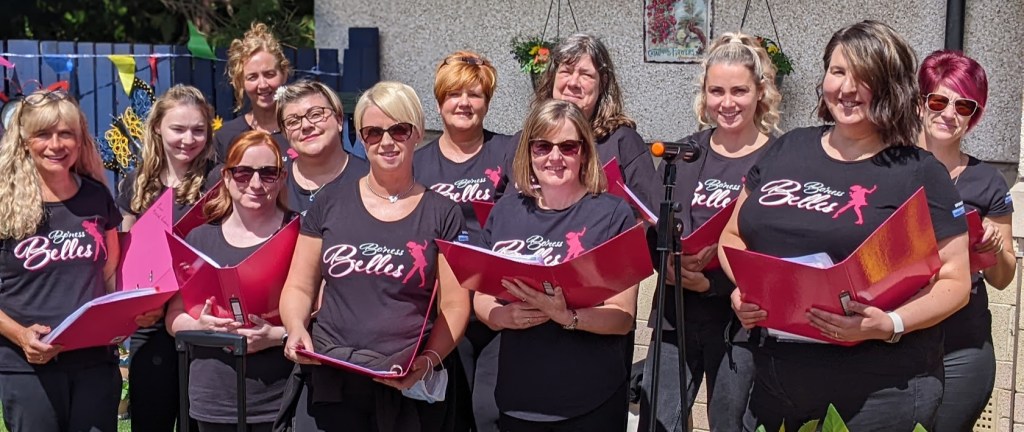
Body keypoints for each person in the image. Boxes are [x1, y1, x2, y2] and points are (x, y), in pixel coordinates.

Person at [718, 21, 971, 431]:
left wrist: (890, 324)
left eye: (864, 77)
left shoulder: (920, 172)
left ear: (890, 87)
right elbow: (732, 236)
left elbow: (955, 281)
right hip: (776, 378)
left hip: (879, 388)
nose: (847, 88)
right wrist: (746, 288)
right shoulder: (788, 147)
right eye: (838, 72)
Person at [279, 81, 470, 431]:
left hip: (402, 382)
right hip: (330, 377)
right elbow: (299, 287)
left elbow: (455, 305)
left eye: (399, 130)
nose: (386, 142)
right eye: (372, 132)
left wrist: (428, 362)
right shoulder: (330, 202)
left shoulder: (442, 212)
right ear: (360, 136)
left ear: (416, 133)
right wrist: (294, 328)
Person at [640, 32, 782, 432]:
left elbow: (780, 246)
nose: (727, 102)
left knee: (730, 424)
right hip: (675, 315)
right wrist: (664, 265)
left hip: (738, 322)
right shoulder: (683, 154)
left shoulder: (779, 159)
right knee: (658, 421)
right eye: (716, 91)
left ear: (760, 93)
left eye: (739, 90)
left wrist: (713, 283)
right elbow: (654, 225)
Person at [473, 99, 641, 431]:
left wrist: (569, 317)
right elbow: (480, 294)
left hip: (590, 400)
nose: (554, 157)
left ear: (584, 153)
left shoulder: (612, 215)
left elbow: (623, 317)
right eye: (542, 146)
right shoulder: (506, 211)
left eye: (567, 147)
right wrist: (500, 316)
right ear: (528, 151)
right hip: (518, 397)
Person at [0, 89, 141, 431]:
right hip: (26, 365)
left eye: (66, 134)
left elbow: (109, 275)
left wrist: (126, 317)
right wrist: (20, 336)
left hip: (94, 362)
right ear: (23, 141)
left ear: (80, 141)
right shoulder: (3, 202)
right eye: (43, 135)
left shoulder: (96, 197)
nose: (56, 145)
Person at [166, 130, 295, 432]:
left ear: (282, 177)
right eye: (243, 173)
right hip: (214, 395)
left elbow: (318, 314)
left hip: (278, 394)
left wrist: (274, 335)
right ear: (226, 177)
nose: (255, 183)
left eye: (268, 173)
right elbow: (174, 317)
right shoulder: (200, 238)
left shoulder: (298, 233)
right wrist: (201, 326)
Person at [413, 50, 512, 432]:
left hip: (495, 301)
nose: (464, 103)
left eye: (475, 94)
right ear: (440, 101)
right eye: (454, 93)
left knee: (490, 413)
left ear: (487, 102)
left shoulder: (507, 152)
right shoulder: (418, 164)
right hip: (437, 307)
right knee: (446, 416)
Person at [916, 50, 1015, 432]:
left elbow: (1004, 277)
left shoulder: (987, 181)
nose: (949, 113)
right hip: (893, 341)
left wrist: (993, 251)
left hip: (962, 348)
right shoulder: (891, 167)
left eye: (964, 105)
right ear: (921, 103)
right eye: (939, 100)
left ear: (974, 115)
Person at [116, 84, 220, 432]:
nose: (188, 139)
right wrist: (133, 308)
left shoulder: (218, 180)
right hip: (151, 323)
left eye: (198, 130)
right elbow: (125, 256)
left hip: (202, 319)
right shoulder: (136, 182)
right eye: (178, 128)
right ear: (157, 127)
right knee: (150, 421)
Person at [531, 33, 658, 210]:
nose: (573, 82)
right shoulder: (529, 139)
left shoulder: (623, 142)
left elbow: (649, 212)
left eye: (585, 75)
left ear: (602, 83)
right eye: (566, 71)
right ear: (552, 77)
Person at [274, 79, 369, 215]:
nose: (306, 125)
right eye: (293, 122)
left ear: (339, 119)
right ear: (284, 133)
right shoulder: (275, 186)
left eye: (316, 114)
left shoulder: (371, 180)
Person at [215, 22, 292, 161]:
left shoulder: (302, 130)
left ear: (284, 74)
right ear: (240, 82)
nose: (262, 85)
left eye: (269, 74)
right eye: (252, 77)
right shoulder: (227, 136)